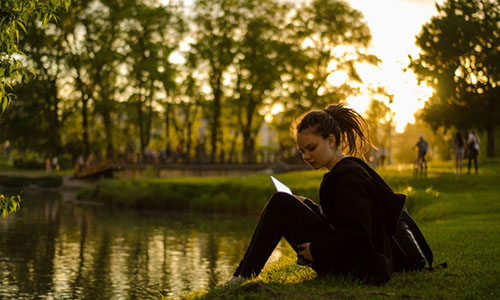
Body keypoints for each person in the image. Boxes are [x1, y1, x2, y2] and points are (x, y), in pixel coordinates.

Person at [227, 103, 405, 286]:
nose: (306, 156)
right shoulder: (345, 171)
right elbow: (342, 219)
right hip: (356, 262)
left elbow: (359, 232)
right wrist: (310, 207)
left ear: (330, 140)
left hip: (362, 270)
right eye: (302, 151)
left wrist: (317, 250)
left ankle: (243, 275)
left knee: (280, 203)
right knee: (286, 202)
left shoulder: (347, 177)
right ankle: (243, 273)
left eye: (312, 148)